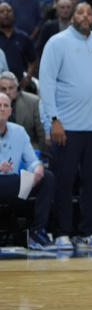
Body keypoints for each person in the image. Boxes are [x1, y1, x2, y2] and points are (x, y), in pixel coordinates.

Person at [38, 2, 92, 249]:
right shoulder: (57, 42)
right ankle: (62, 232)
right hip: (66, 126)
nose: (85, 16)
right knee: (64, 181)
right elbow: (46, 84)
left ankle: (87, 233)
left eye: (89, 12)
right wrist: (52, 120)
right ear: (72, 16)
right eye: (80, 12)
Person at [0, 92, 56, 249]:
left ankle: (36, 233)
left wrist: (37, 168)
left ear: (10, 111)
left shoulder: (19, 131)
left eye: (5, 106)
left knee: (47, 177)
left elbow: (31, 160)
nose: (2, 109)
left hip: (15, 186)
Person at [0, 70, 43, 152]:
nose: (7, 92)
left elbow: (41, 134)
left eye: (11, 88)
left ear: (17, 88)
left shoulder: (33, 102)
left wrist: (42, 156)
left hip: (27, 150)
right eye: (3, 89)